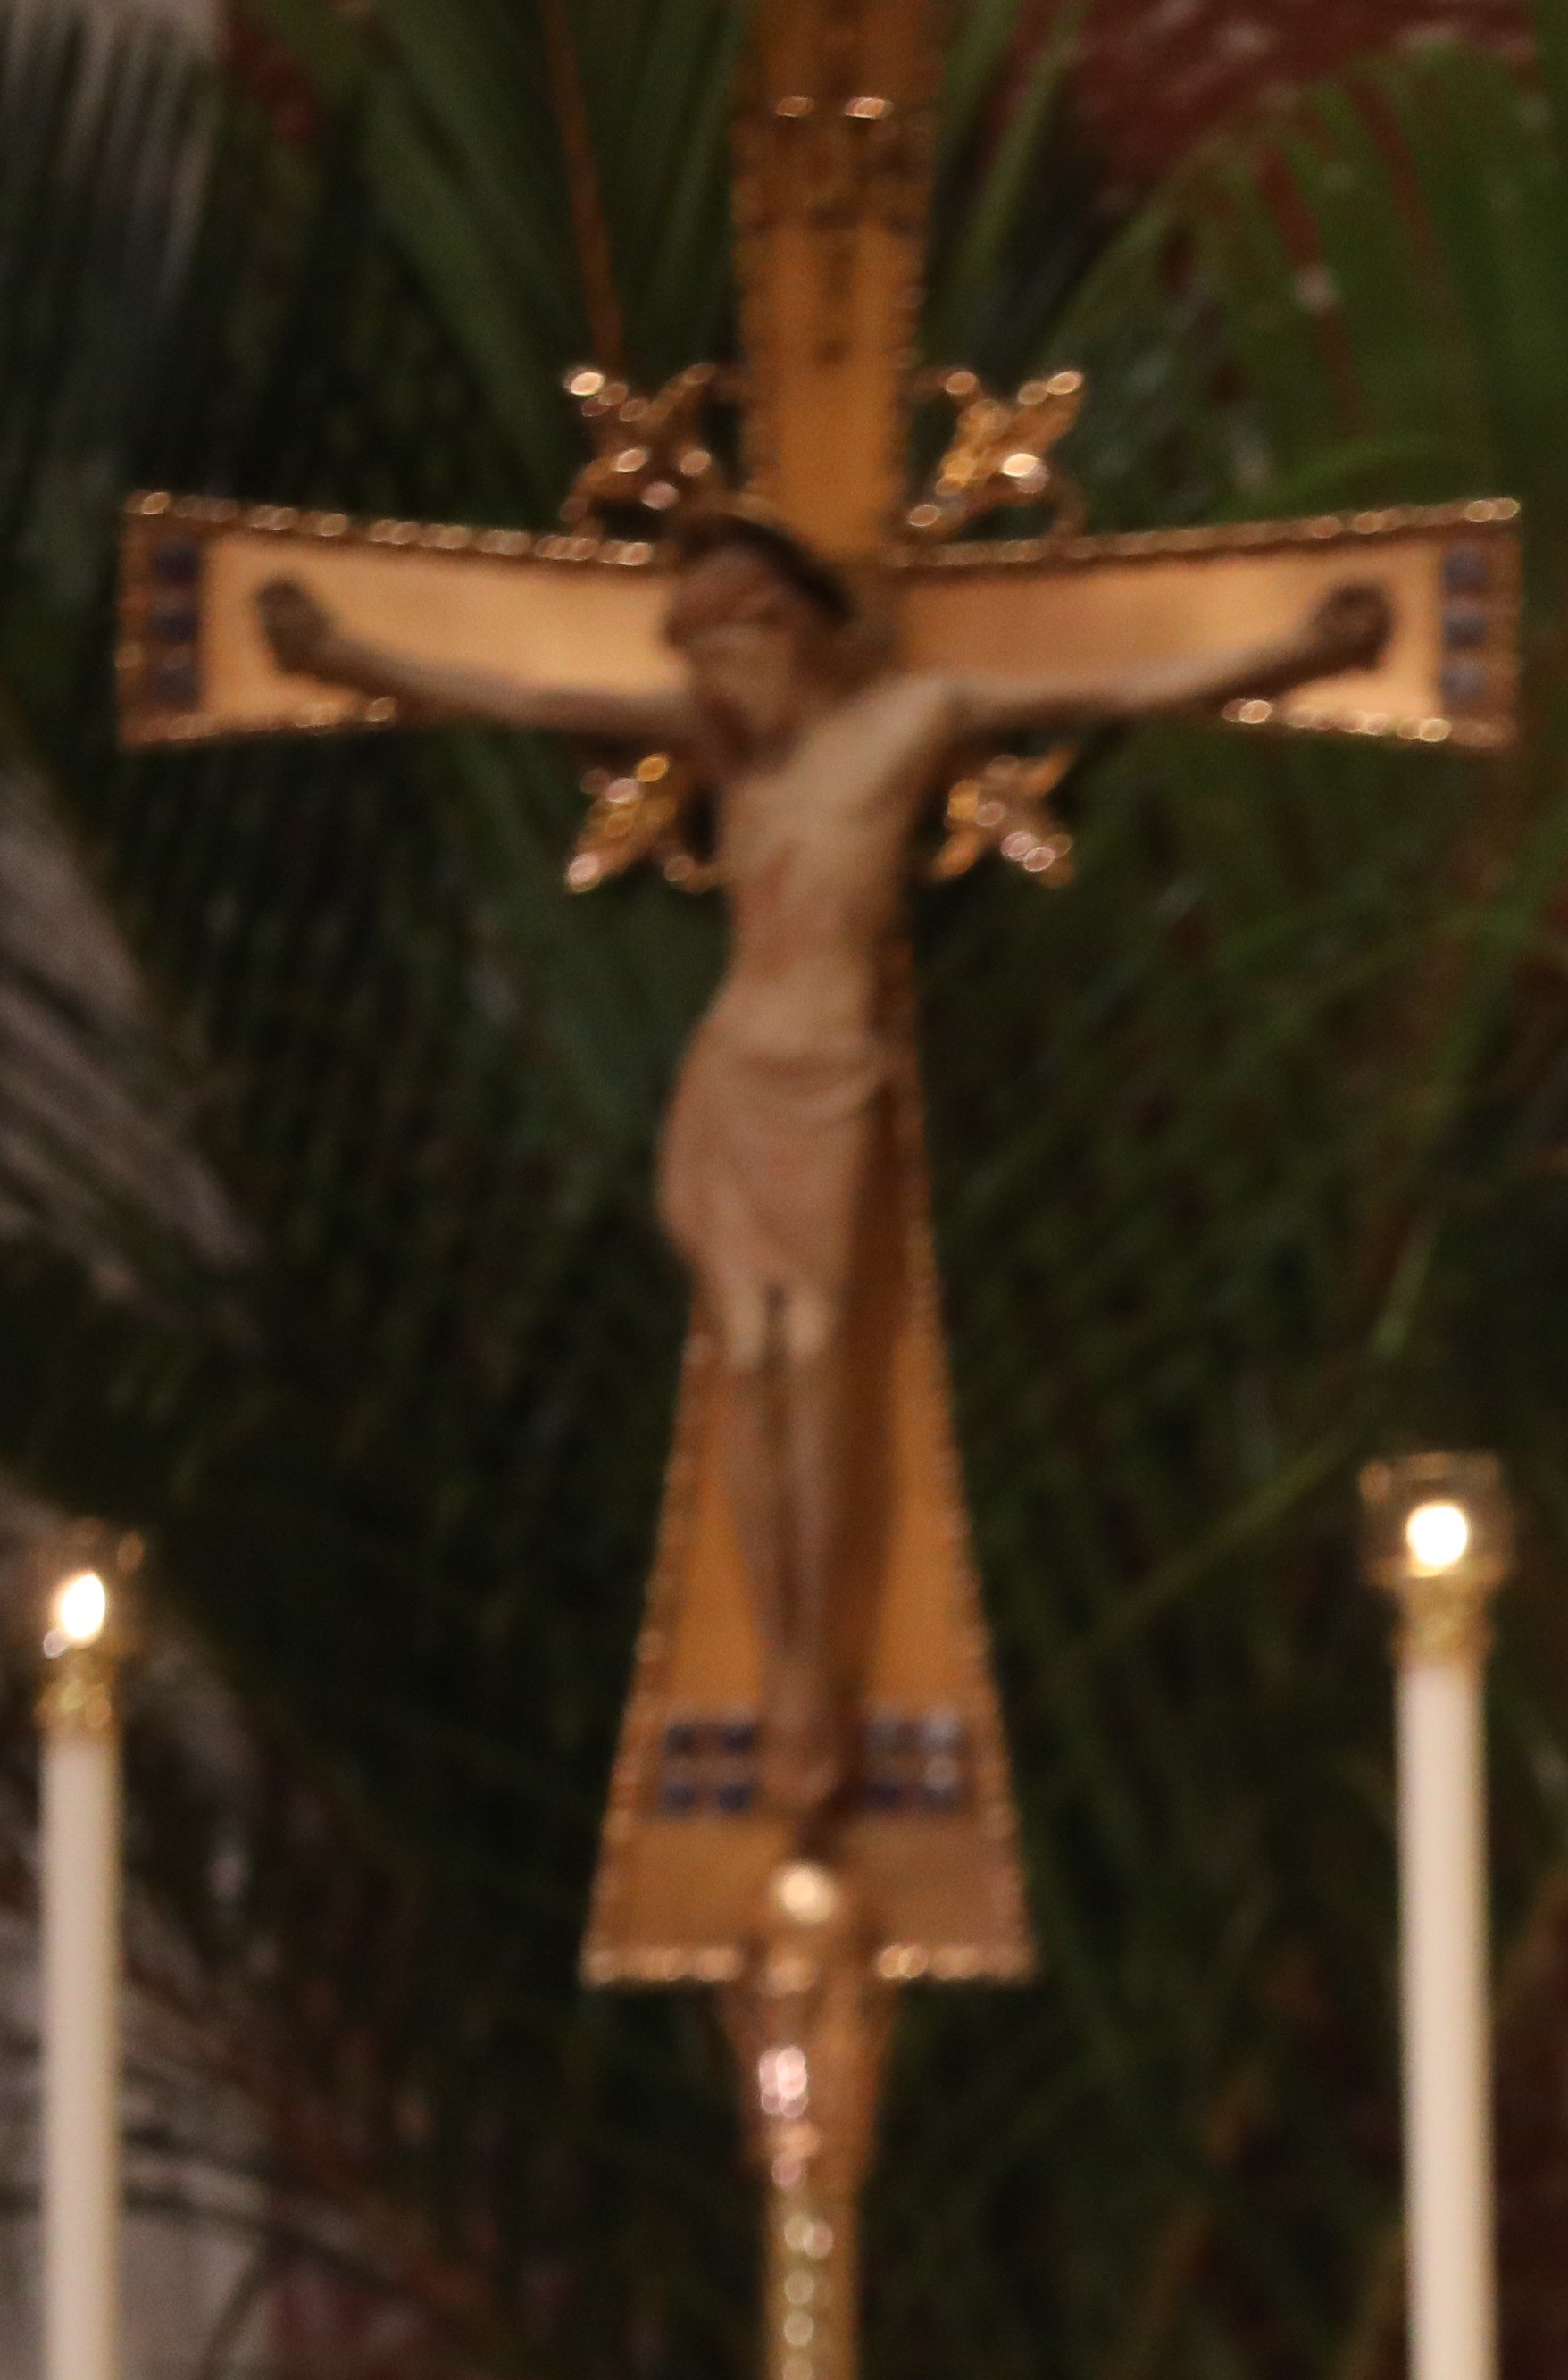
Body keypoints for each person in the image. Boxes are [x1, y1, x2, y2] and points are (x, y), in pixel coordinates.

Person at [254, 513, 1390, 1848]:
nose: (717, 687)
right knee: (750, 1355)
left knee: (812, 1360)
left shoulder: (914, 720)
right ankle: (789, 1651)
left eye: (730, 654)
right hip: (735, 1070)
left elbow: (1112, 686)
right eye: (703, 663)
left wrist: (1297, 651)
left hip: (833, 1080)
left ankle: (813, 1682)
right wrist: (342, 653)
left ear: (787, 633)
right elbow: (529, 695)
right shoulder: (727, 750)